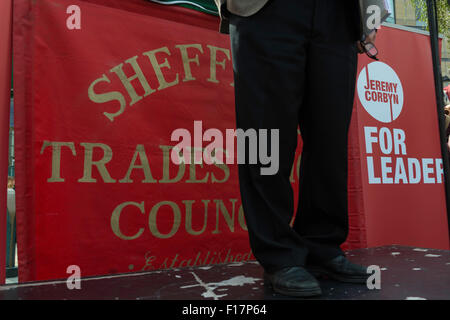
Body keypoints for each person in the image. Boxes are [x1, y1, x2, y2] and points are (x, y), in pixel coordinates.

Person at [214, 0, 377, 297]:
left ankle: (322, 247)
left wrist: (371, 14)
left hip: (338, 14)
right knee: (266, 137)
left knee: (330, 139)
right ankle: (279, 257)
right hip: (267, 9)